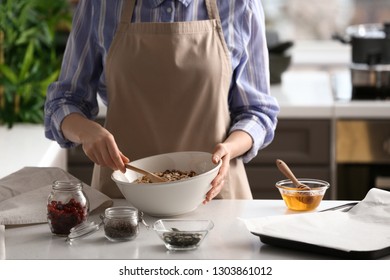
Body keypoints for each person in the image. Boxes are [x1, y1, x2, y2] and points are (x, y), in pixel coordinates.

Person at [44, 0, 280, 203]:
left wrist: (230, 148)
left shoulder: (240, 5)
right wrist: (87, 132)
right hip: (123, 205)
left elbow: (257, 111)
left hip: (213, 196)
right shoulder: (101, 5)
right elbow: (64, 100)